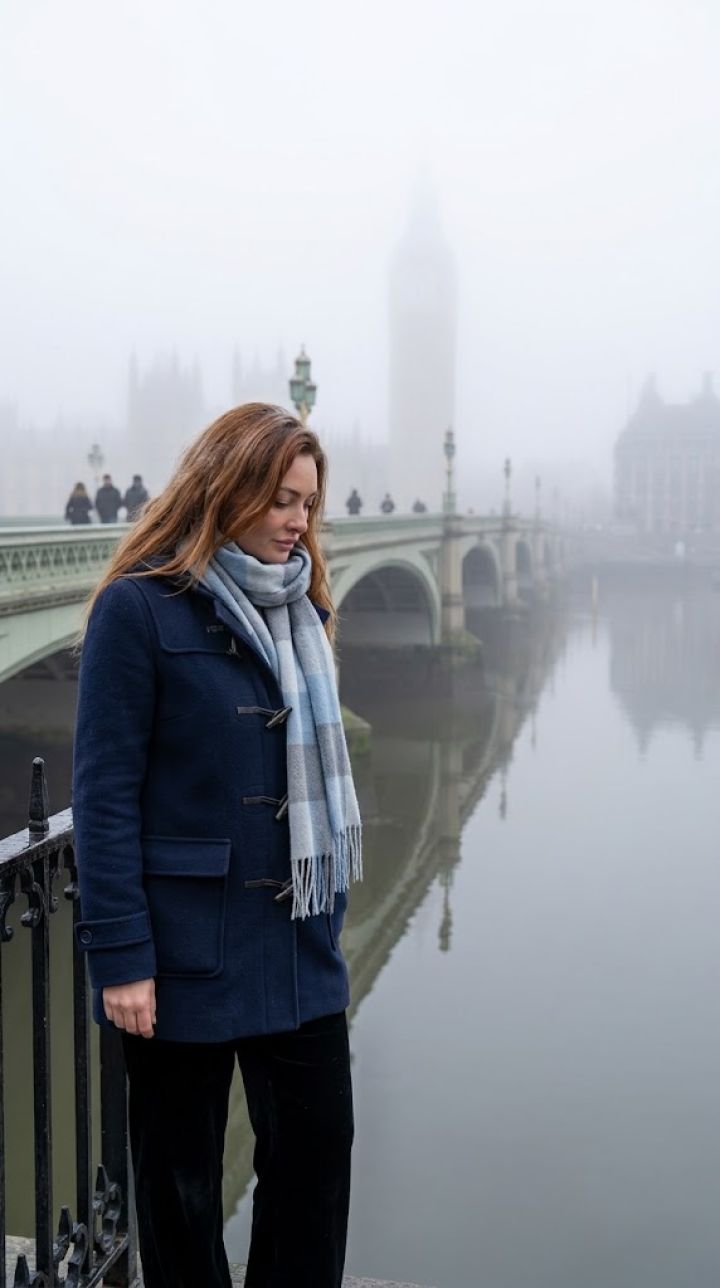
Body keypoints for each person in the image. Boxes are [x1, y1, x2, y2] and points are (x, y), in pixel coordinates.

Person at [72, 403, 362, 1288]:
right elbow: (104, 796)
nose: (298, 522)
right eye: (280, 500)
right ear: (224, 489)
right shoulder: (139, 609)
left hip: (298, 945)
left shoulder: (305, 606)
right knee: (181, 1196)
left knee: (315, 1170)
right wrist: (122, 957)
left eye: (308, 503)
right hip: (183, 955)